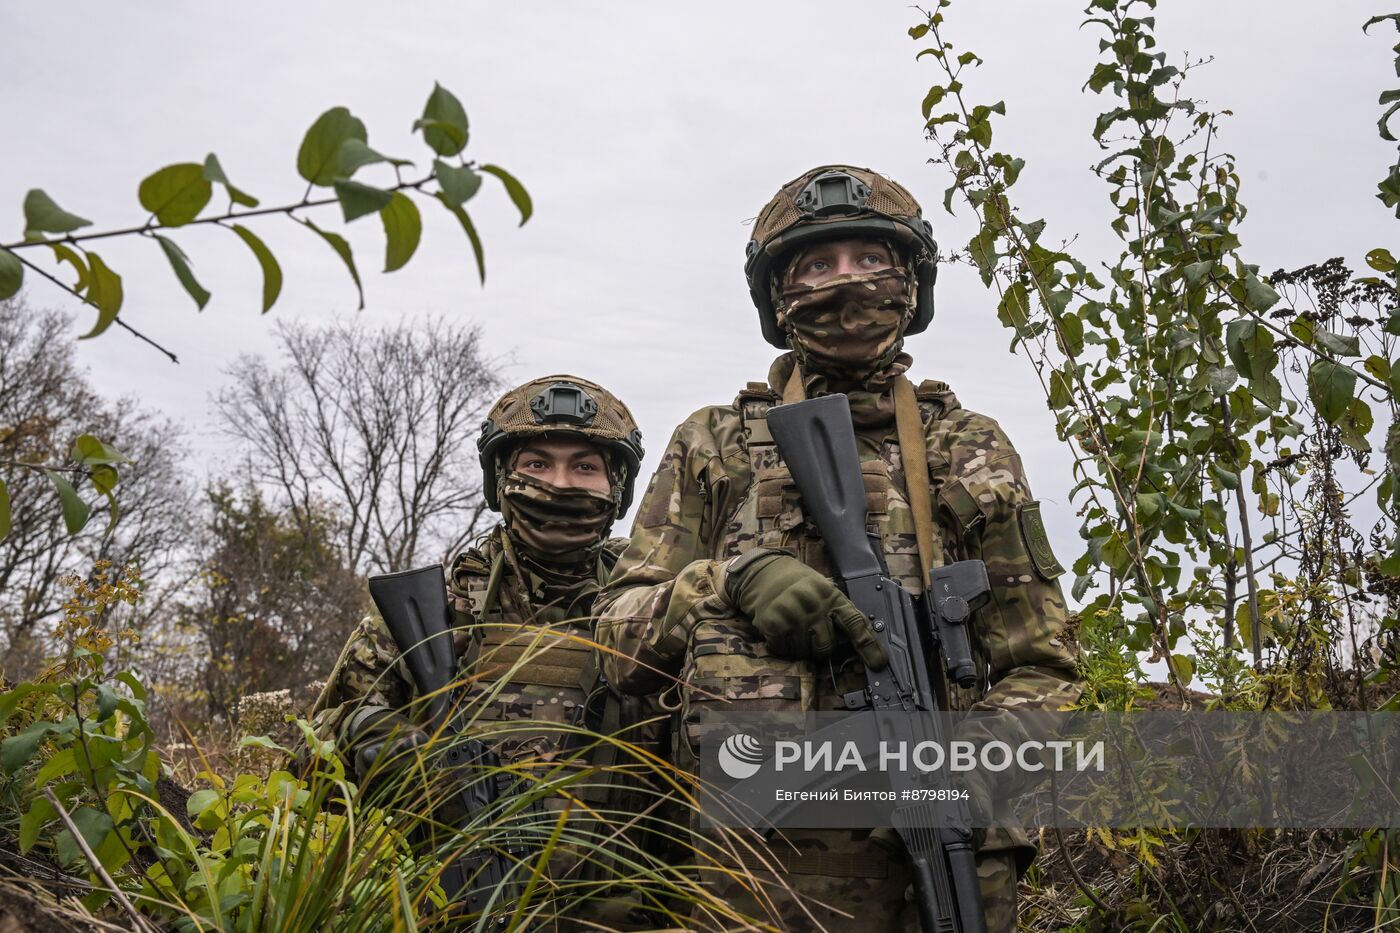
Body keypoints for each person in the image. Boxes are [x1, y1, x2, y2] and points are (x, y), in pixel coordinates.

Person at [594, 165, 1083, 932]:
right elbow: (614, 638)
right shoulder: (715, 443)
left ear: (911, 283)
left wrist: (959, 775)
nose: (846, 282)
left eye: (869, 258)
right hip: (749, 880)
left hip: (939, 873)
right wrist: (732, 578)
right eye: (818, 264)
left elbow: (1046, 666)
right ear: (778, 296)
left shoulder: (970, 447)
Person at [310, 374, 658, 927]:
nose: (560, 485)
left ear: (616, 487)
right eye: (536, 464)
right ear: (502, 479)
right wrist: (385, 748)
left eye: (584, 467)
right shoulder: (434, 613)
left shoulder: (650, 611)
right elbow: (311, 762)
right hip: (448, 907)